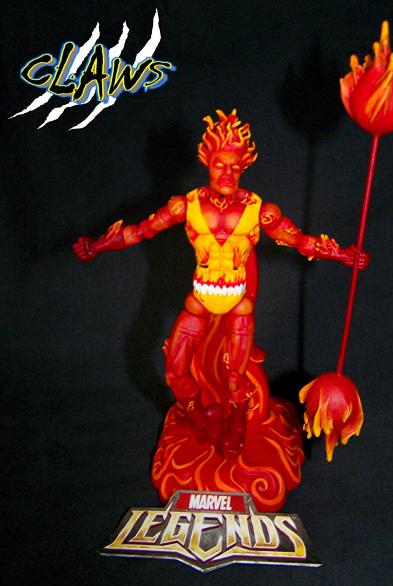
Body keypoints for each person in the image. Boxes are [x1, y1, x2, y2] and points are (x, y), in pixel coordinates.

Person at [73, 108, 368, 460]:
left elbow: (300, 240)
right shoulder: (185, 206)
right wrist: (97, 246)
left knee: (235, 379)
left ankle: (237, 422)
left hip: (238, 305)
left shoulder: (259, 210)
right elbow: (139, 231)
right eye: (219, 165)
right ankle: (203, 415)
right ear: (207, 163)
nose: (227, 173)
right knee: (175, 371)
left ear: (244, 167)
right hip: (200, 299)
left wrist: (344, 255)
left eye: (234, 166)